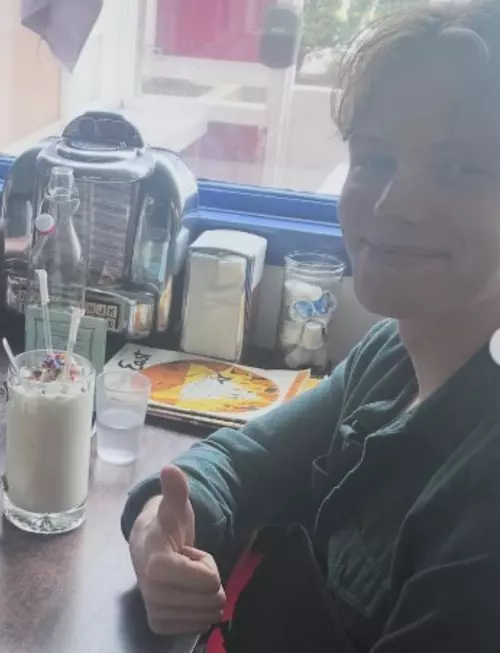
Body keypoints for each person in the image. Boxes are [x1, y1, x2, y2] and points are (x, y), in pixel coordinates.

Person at [124, 3, 500, 650]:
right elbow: (237, 463)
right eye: (374, 159)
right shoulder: (391, 353)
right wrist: (159, 533)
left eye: (458, 168)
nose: (391, 203)